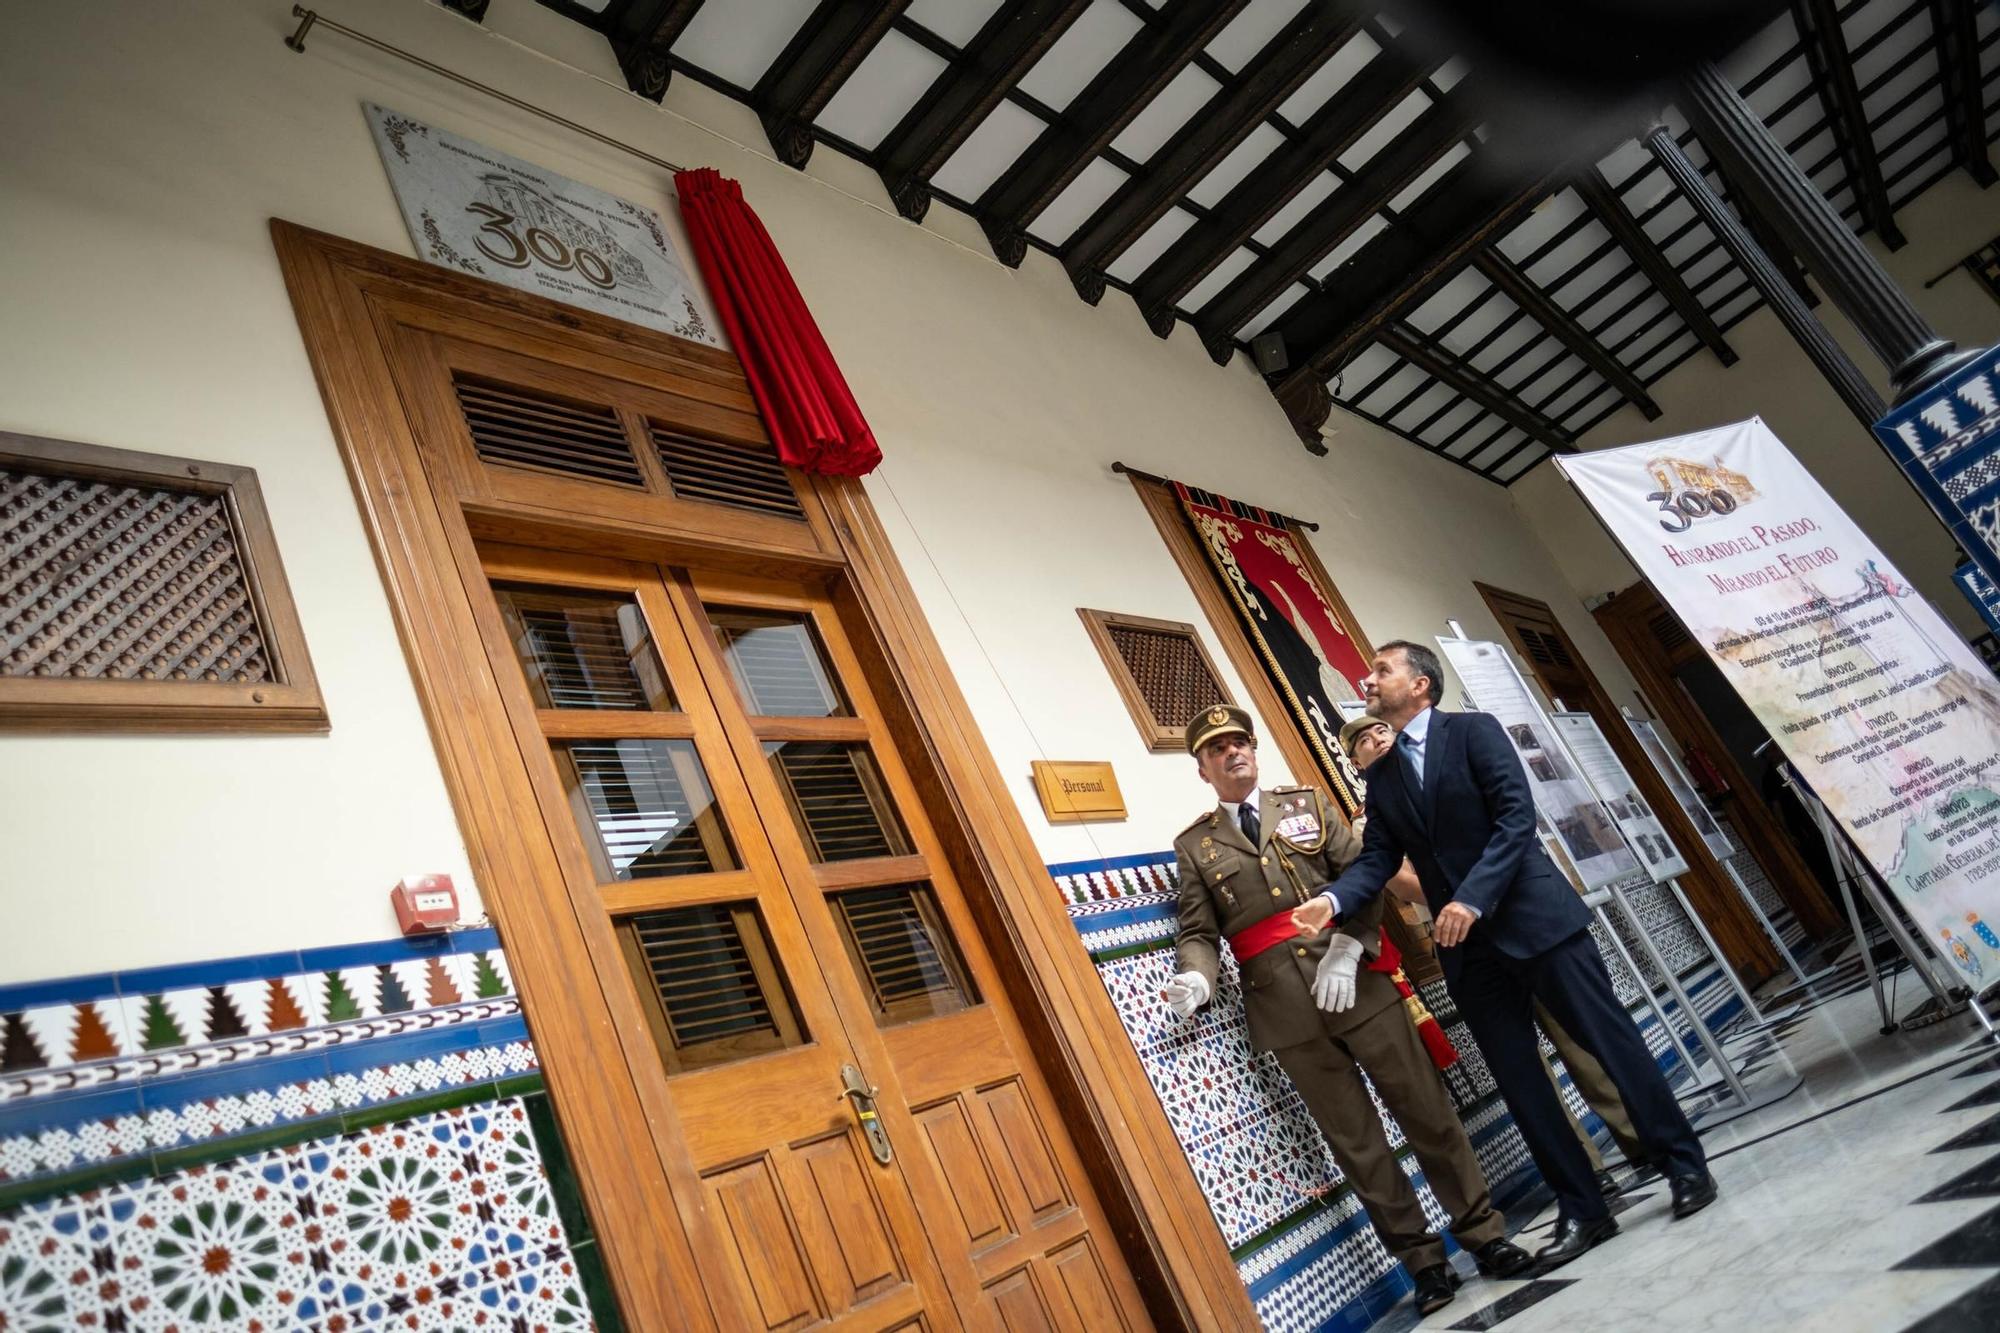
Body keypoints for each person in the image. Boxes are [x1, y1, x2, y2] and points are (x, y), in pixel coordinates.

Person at [1298, 645, 1716, 1271]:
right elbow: (1380, 857)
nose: (1367, 678)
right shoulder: (1381, 776)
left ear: (1420, 686)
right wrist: (1331, 902)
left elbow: (1516, 819)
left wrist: (1470, 898)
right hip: (1471, 952)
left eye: (1381, 670)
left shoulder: (1473, 732)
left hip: (1535, 920)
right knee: (1521, 1081)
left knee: (1610, 1042)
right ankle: (1584, 1208)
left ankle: (1684, 1165)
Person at [1163, 705, 1532, 1316]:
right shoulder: (1195, 845)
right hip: (1286, 1014)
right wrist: (1197, 980)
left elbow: (1367, 872)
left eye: (1241, 743)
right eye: (1218, 750)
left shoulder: (1306, 804)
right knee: (1359, 1145)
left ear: (1254, 751)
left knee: (1428, 1114)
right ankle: (1425, 1264)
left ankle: (1484, 1236)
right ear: (1202, 770)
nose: (1233, 754)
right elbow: (1199, 930)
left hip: (1358, 983)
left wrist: (1347, 945)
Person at [1338, 715, 1654, 1197]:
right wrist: (1466, 889)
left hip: (1522, 922)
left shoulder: (1437, 777)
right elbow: (1413, 886)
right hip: (1463, 940)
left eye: (1382, 730)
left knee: (1579, 1039)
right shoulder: (1370, 823)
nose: (1377, 739)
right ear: (1354, 762)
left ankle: (1641, 1138)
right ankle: (1587, 1174)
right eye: (1363, 740)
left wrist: (1473, 884)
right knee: (1528, 1069)